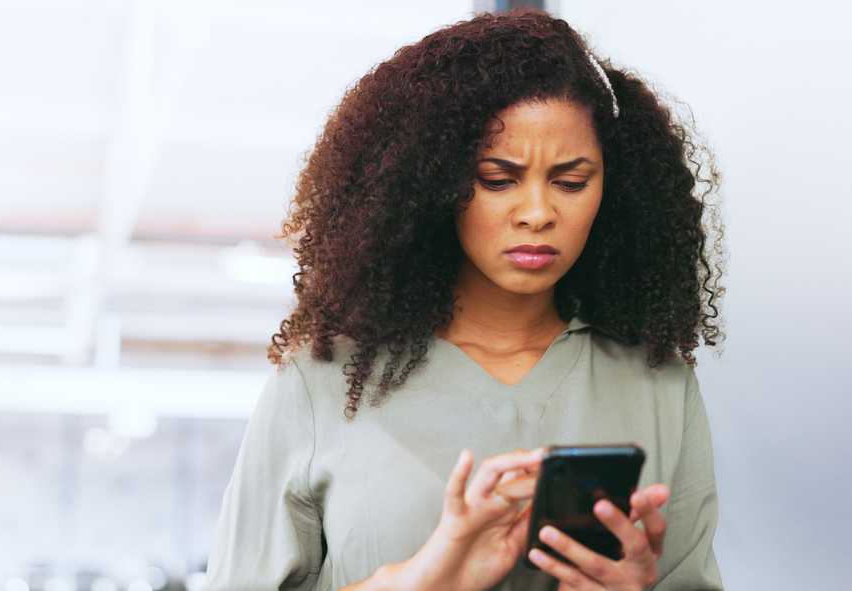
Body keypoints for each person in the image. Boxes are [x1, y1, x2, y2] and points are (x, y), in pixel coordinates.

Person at [205, 8, 725, 591]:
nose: (537, 213)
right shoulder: (323, 380)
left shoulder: (657, 383)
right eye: (497, 180)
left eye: (571, 182)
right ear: (433, 184)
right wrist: (421, 578)